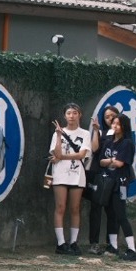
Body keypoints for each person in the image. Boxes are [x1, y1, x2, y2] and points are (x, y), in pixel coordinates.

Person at [94, 114, 136, 260]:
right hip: (107, 182)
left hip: (120, 183)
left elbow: (120, 163)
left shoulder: (127, 143)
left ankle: (132, 249)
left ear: (124, 126)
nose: (115, 126)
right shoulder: (108, 142)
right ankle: (113, 247)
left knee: (121, 215)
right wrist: (112, 160)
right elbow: (101, 161)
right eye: (113, 123)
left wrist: (111, 160)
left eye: (118, 124)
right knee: (110, 214)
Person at [49, 103, 91, 255]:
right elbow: (56, 152)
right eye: (69, 113)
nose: (71, 116)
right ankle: (60, 243)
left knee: (75, 208)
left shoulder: (85, 133)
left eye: (75, 113)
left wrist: (62, 157)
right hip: (60, 173)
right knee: (60, 207)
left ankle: (73, 242)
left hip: (77, 174)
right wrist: (59, 135)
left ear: (80, 115)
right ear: (64, 115)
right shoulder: (57, 134)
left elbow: (81, 155)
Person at [86, 104, 120, 254]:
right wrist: (95, 130)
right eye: (107, 116)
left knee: (113, 211)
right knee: (95, 210)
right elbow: (94, 150)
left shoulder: (123, 135)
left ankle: (112, 244)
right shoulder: (100, 132)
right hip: (99, 176)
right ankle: (94, 243)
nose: (110, 119)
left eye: (113, 116)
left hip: (115, 177)